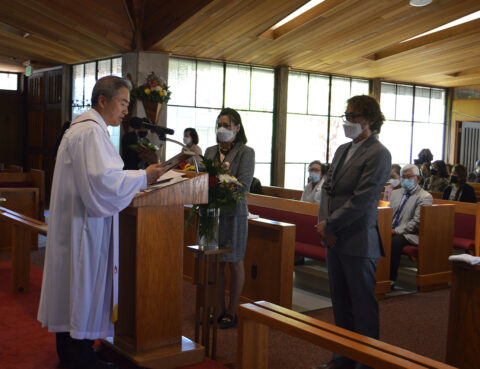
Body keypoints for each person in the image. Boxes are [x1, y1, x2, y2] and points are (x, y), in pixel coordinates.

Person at [37, 76, 165, 369]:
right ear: (102, 101)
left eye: (128, 104)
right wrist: (144, 176)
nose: (125, 110)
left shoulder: (86, 129)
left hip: (78, 224)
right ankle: (77, 358)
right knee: (81, 287)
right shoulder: (90, 133)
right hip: (84, 227)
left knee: (75, 288)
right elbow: (102, 182)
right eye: (122, 103)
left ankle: (75, 352)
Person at [316, 95, 391, 369]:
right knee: (341, 304)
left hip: (358, 240)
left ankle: (366, 363)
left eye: (352, 116)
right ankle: (343, 357)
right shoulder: (342, 150)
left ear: (368, 119)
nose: (347, 121)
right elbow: (327, 188)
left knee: (362, 306)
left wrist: (331, 225)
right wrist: (325, 226)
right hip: (334, 239)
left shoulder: (379, 153)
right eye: (345, 115)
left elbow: (363, 199)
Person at [204, 108, 255, 330]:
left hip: (234, 212)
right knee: (214, 263)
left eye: (226, 125)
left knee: (234, 261)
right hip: (211, 212)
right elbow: (202, 178)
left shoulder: (246, 152)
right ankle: (218, 308)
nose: (221, 129)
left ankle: (232, 311)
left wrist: (216, 179)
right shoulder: (210, 150)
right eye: (219, 125)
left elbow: (243, 184)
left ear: (237, 128)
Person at [389, 164, 433, 283]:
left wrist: (395, 230)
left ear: (417, 179)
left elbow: (416, 222)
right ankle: (374, 274)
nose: (405, 180)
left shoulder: (425, 197)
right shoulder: (396, 193)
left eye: (409, 177)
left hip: (410, 234)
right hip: (392, 228)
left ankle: (390, 279)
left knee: (395, 241)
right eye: (403, 177)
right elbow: (389, 214)